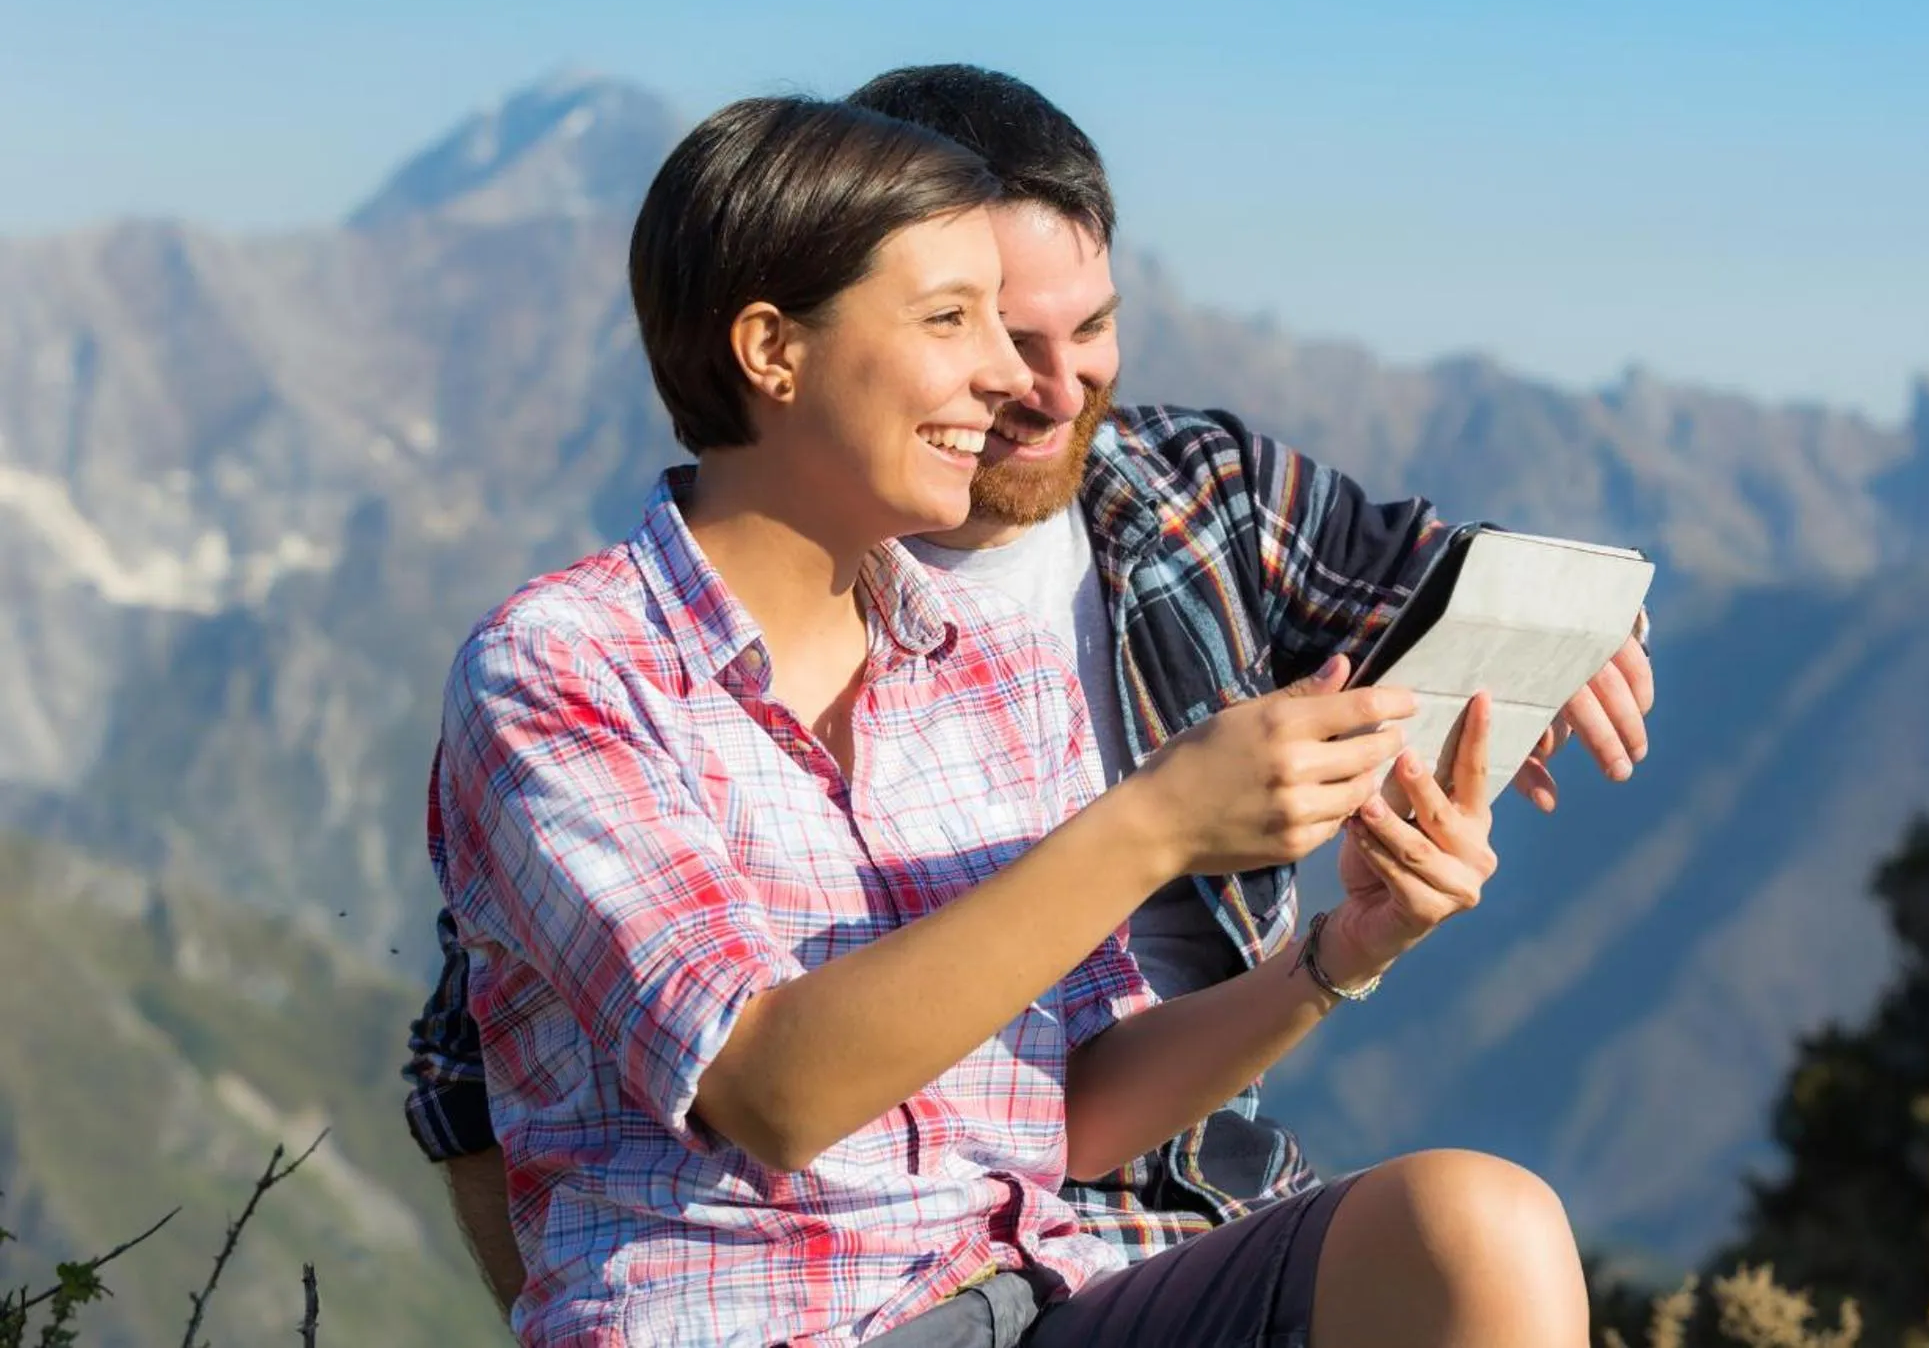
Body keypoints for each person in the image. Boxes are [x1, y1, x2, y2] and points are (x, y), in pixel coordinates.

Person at [407, 64, 1654, 1304]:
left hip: (1036, 1277)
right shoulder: (564, 670)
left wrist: (1339, 949)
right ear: (771, 350)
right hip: (747, 1310)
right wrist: (1157, 817)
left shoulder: (1010, 647)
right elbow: (766, 1092)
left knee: (1476, 1225)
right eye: (956, 320)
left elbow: (1066, 1107)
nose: (1017, 379)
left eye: (1068, 329)